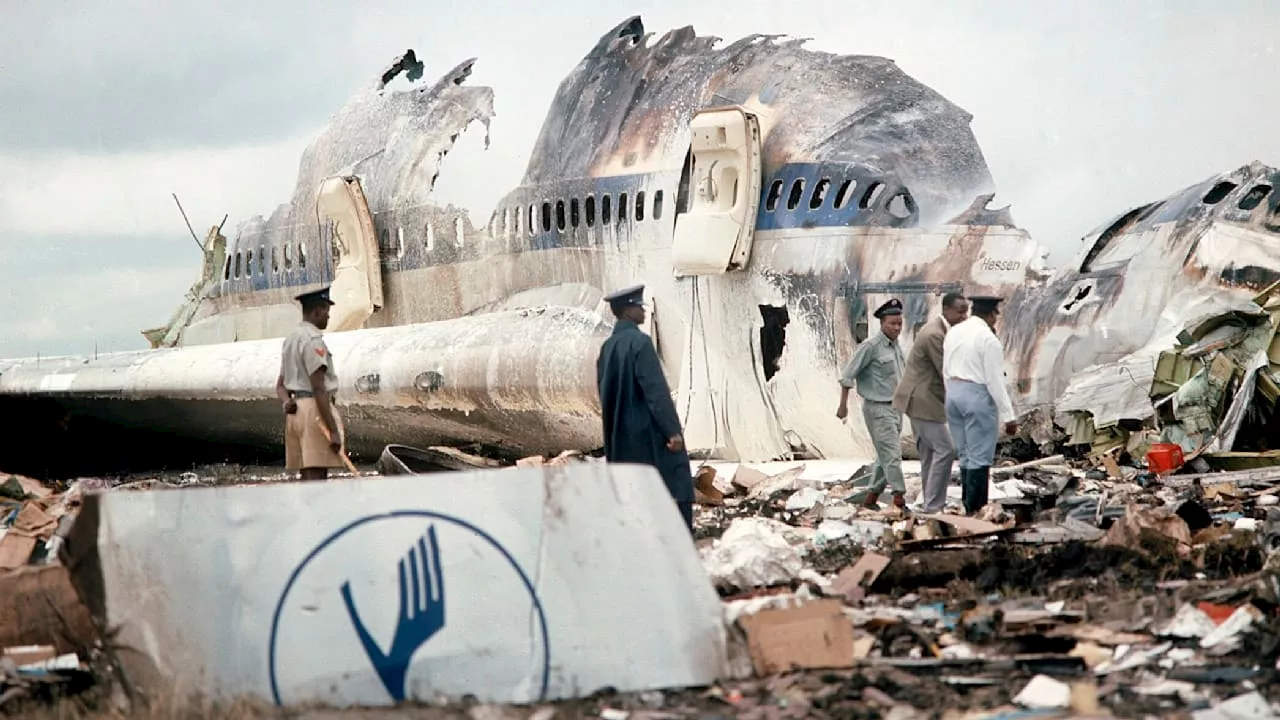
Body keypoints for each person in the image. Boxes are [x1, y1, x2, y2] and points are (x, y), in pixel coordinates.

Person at [596, 284, 695, 533]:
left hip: (620, 438)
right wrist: (672, 432)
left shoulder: (607, 349)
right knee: (677, 486)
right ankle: (681, 546)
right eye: (639, 306)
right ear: (628, 310)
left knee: (633, 497)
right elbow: (656, 392)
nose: (643, 310)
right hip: (648, 435)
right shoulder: (640, 343)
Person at [893, 293, 969, 513]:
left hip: (920, 398)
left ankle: (929, 503)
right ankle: (934, 505)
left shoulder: (941, 330)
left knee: (928, 454)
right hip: (921, 399)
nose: (964, 316)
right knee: (945, 450)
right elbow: (946, 370)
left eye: (966, 311)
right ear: (946, 309)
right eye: (960, 311)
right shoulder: (936, 334)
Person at [942, 295, 1018, 514]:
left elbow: (945, 367)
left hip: (953, 393)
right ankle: (977, 510)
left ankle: (967, 506)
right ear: (992, 314)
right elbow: (995, 380)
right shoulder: (987, 338)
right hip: (976, 396)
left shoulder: (954, 331)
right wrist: (1009, 416)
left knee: (965, 453)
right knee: (980, 456)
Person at [838, 298, 907, 509]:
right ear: (882, 323)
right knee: (893, 456)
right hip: (878, 408)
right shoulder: (870, 347)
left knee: (883, 457)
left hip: (895, 408)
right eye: (892, 323)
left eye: (899, 323)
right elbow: (848, 376)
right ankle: (899, 499)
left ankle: (871, 497)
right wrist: (843, 406)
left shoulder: (895, 348)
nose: (896, 328)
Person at [276, 286, 346, 481]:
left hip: (295, 412)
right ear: (317, 311)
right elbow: (319, 388)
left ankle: (307, 511)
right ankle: (319, 512)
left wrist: (285, 402)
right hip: (314, 412)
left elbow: (280, 385)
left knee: (305, 476)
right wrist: (333, 430)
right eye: (327, 312)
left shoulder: (291, 340)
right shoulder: (313, 341)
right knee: (317, 476)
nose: (328, 317)